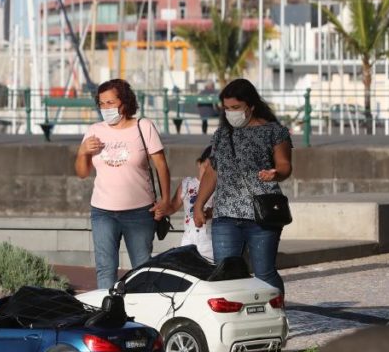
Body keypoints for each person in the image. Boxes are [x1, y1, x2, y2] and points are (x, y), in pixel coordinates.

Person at [192, 78, 292, 295]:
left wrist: (276, 173)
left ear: (251, 106)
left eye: (236, 107)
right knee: (224, 273)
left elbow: (285, 166)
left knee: (264, 272)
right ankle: (234, 313)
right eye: (227, 108)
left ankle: (274, 310)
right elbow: (212, 171)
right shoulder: (221, 135)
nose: (231, 112)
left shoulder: (274, 131)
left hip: (262, 214)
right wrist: (199, 205)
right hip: (225, 215)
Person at [75, 79, 171, 289]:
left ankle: (143, 306)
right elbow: (82, 173)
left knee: (142, 268)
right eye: (102, 104)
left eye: (110, 102)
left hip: (140, 212)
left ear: (125, 102)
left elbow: (162, 166)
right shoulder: (94, 130)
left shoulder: (144, 127)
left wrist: (165, 201)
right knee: (105, 269)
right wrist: (82, 152)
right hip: (102, 212)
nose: (105, 108)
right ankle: (107, 307)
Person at [167, 145, 214, 261]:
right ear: (199, 163)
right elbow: (173, 206)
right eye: (205, 167)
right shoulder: (187, 183)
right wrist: (163, 208)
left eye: (212, 169)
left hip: (209, 239)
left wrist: (209, 213)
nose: (207, 172)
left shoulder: (219, 186)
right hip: (188, 239)